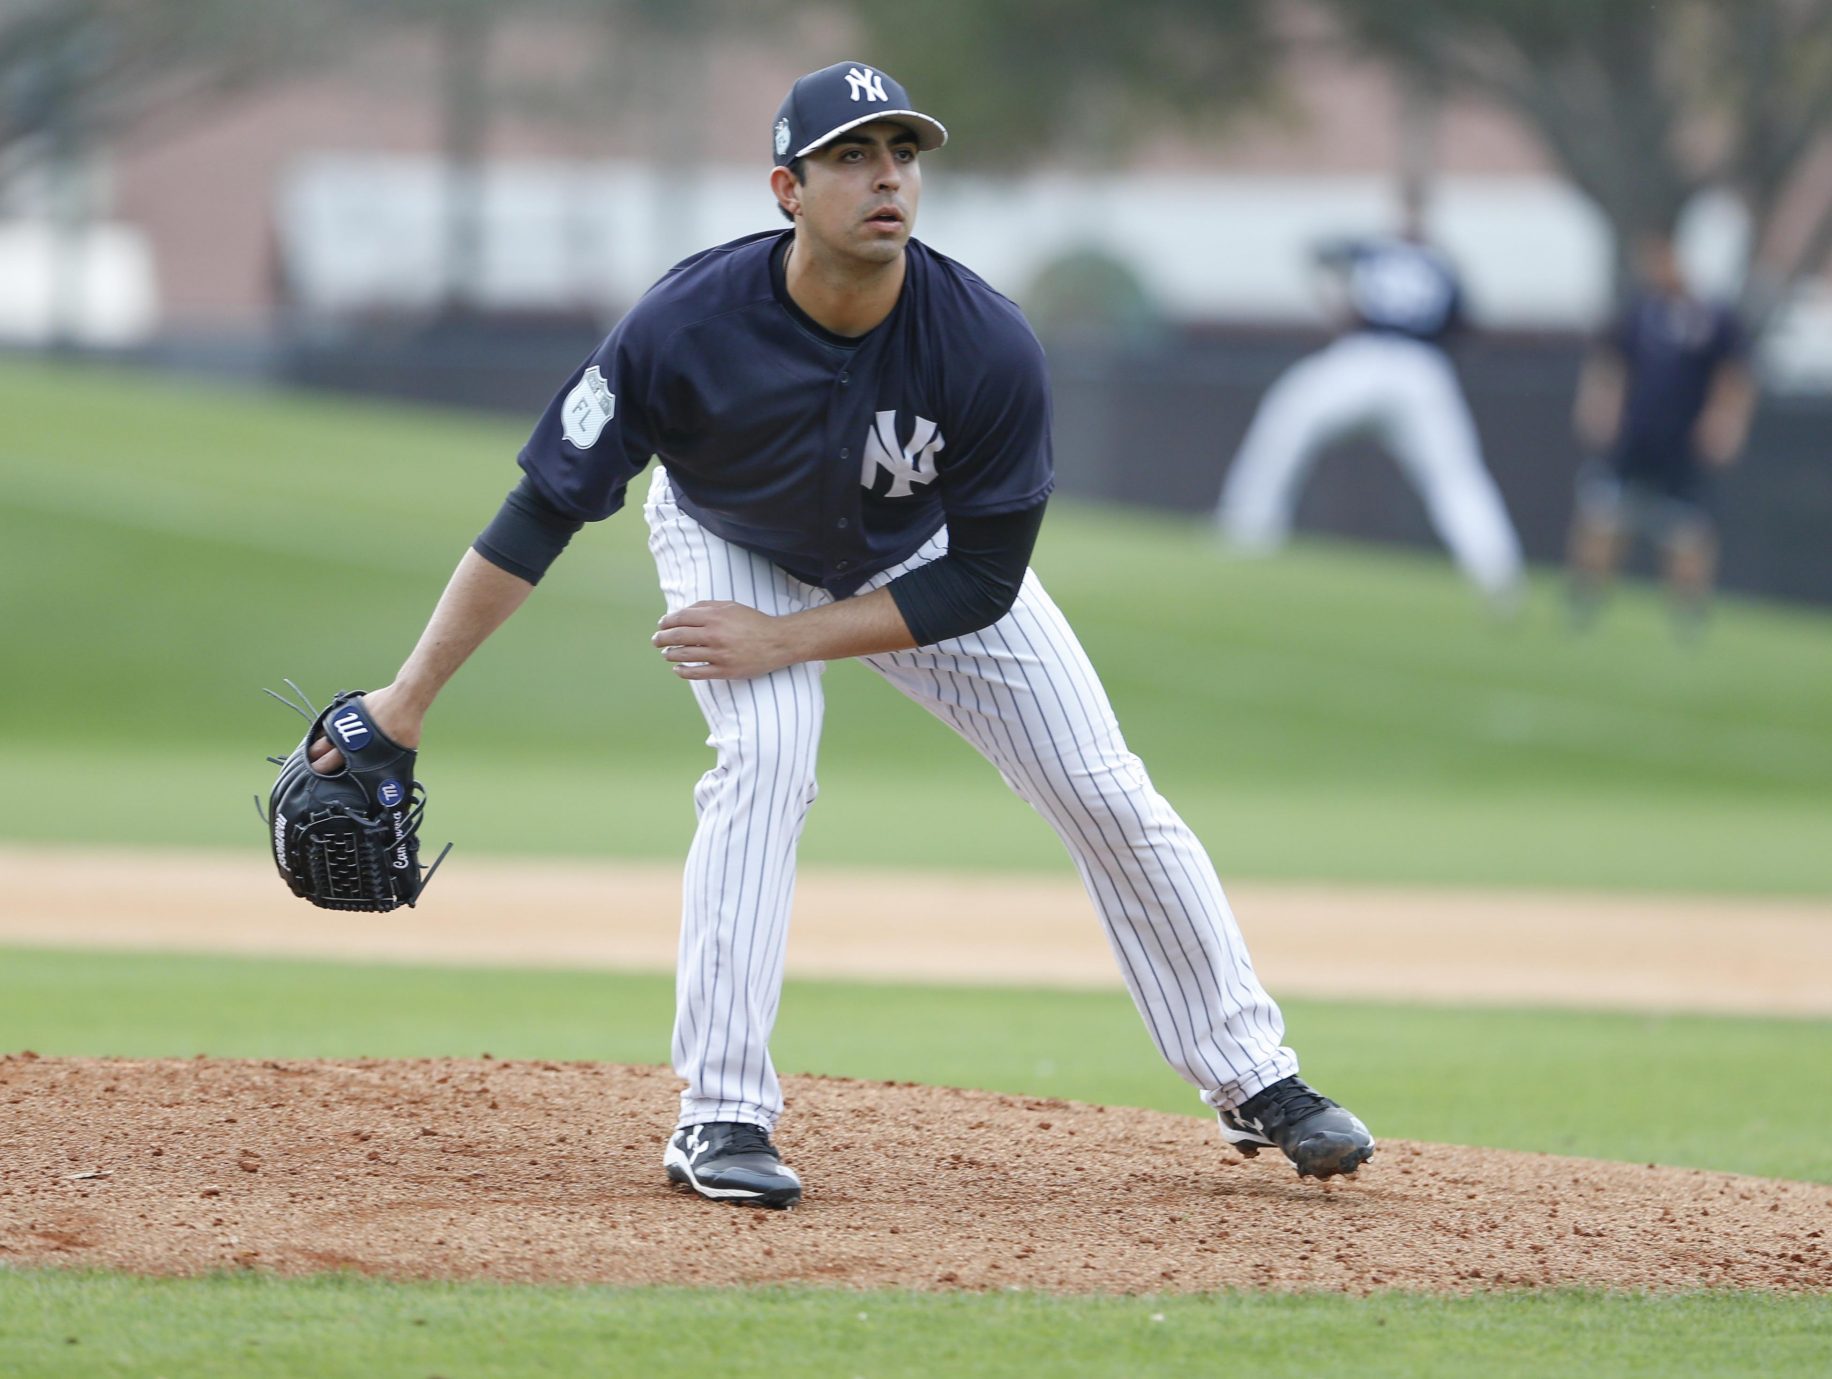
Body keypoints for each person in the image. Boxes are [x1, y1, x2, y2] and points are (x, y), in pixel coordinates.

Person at [309, 61, 1374, 1207]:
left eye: (903, 155)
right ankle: (718, 1113)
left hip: (919, 560)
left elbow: (983, 577)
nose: (887, 178)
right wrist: (406, 698)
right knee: (764, 756)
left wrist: (791, 637)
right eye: (852, 156)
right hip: (729, 536)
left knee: (1104, 786)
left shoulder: (984, 342)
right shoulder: (682, 323)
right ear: (786, 187)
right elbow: (541, 509)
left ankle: (1255, 1077)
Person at [1215, 194, 1525, 611]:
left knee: (1287, 416)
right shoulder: (1443, 267)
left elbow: (1323, 262)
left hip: (1366, 357)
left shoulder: (1375, 252)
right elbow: (1465, 329)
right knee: (1456, 474)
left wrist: (1333, 304)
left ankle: (1247, 529)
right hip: (1421, 369)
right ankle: (1497, 570)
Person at [1565, 233, 1756, 638]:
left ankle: (1688, 614)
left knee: (1688, 529)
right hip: (1635, 438)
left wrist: (1726, 421)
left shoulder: (1715, 319)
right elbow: (1607, 363)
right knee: (1603, 515)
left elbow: (1735, 377)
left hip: (1682, 444)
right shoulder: (1637, 314)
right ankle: (1585, 598)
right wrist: (1599, 406)